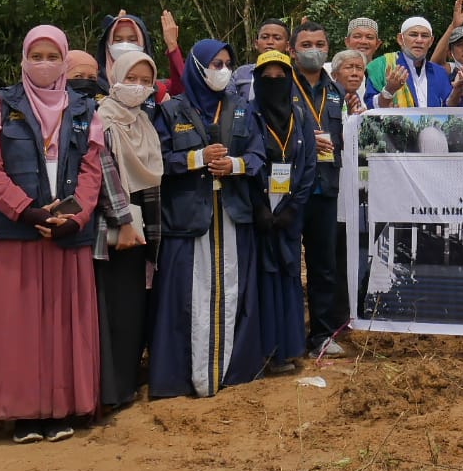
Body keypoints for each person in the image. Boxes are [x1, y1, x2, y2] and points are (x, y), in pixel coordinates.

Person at [0, 26, 104, 443]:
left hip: (66, 234)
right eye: (36, 55)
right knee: (19, 326)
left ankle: (60, 410)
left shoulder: (85, 109)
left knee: (64, 324)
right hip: (16, 235)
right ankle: (24, 413)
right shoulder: (0, 106)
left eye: (52, 56)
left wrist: (75, 217)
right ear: (23, 59)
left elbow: (91, 171)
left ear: (64, 61)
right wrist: (25, 212)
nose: (44, 63)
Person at [149, 39, 265, 398]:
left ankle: (235, 372)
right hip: (189, 219)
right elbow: (156, 162)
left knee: (233, 289)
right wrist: (195, 159)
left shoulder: (242, 108)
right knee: (189, 294)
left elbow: (259, 154)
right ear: (197, 67)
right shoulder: (172, 111)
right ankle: (184, 377)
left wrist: (236, 165)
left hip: (232, 216)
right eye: (215, 64)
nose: (223, 70)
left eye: (227, 63)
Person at [92, 49, 160, 412]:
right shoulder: (100, 120)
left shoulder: (143, 122)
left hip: (143, 227)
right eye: (130, 78)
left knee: (133, 308)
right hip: (113, 228)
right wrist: (124, 220)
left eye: (144, 80)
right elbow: (100, 175)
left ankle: (128, 382)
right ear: (114, 78)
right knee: (111, 309)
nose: (137, 87)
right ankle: (110, 389)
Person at [251, 50, 315, 374]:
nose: (274, 83)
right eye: (267, 79)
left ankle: (288, 348)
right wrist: (259, 207)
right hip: (259, 217)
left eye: (280, 78)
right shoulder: (249, 115)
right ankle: (265, 352)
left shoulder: (300, 115)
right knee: (263, 277)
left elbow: (309, 166)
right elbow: (244, 161)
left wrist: (293, 208)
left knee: (289, 274)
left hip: (289, 214)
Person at [290, 22, 350, 358]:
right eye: (306, 43)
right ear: (293, 50)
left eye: (320, 43)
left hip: (326, 188)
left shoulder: (337, 91)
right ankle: (288, 333)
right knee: (286, 265)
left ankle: (323, 335)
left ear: (328, 49)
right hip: (291, 189)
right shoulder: (282, 86)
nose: (314, 49)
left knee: (323, 265)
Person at [95, 10, 186, 98]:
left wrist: (172, 46)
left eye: (132, 40)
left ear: (143, 44)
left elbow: (180, 93)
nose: (125, 45)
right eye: (118, 40)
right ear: (108, 44)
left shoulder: (156, 91)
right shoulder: (94, 86)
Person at [367, 17, 452, 109]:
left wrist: (458, 89)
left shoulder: (439, 72)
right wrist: (389, 91)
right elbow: (369, 106)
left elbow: (449, 108)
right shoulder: (381, 65)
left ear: (431, 42)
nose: (419, 40)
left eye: (424, 36)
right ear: (400, 39)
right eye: (413, 35)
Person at [234, 19, 291, 101]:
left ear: (287, 46)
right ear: (256, 44)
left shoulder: (295, 75)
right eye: (264, 37)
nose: (270, 42)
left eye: (277, 38)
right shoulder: (240, 74)